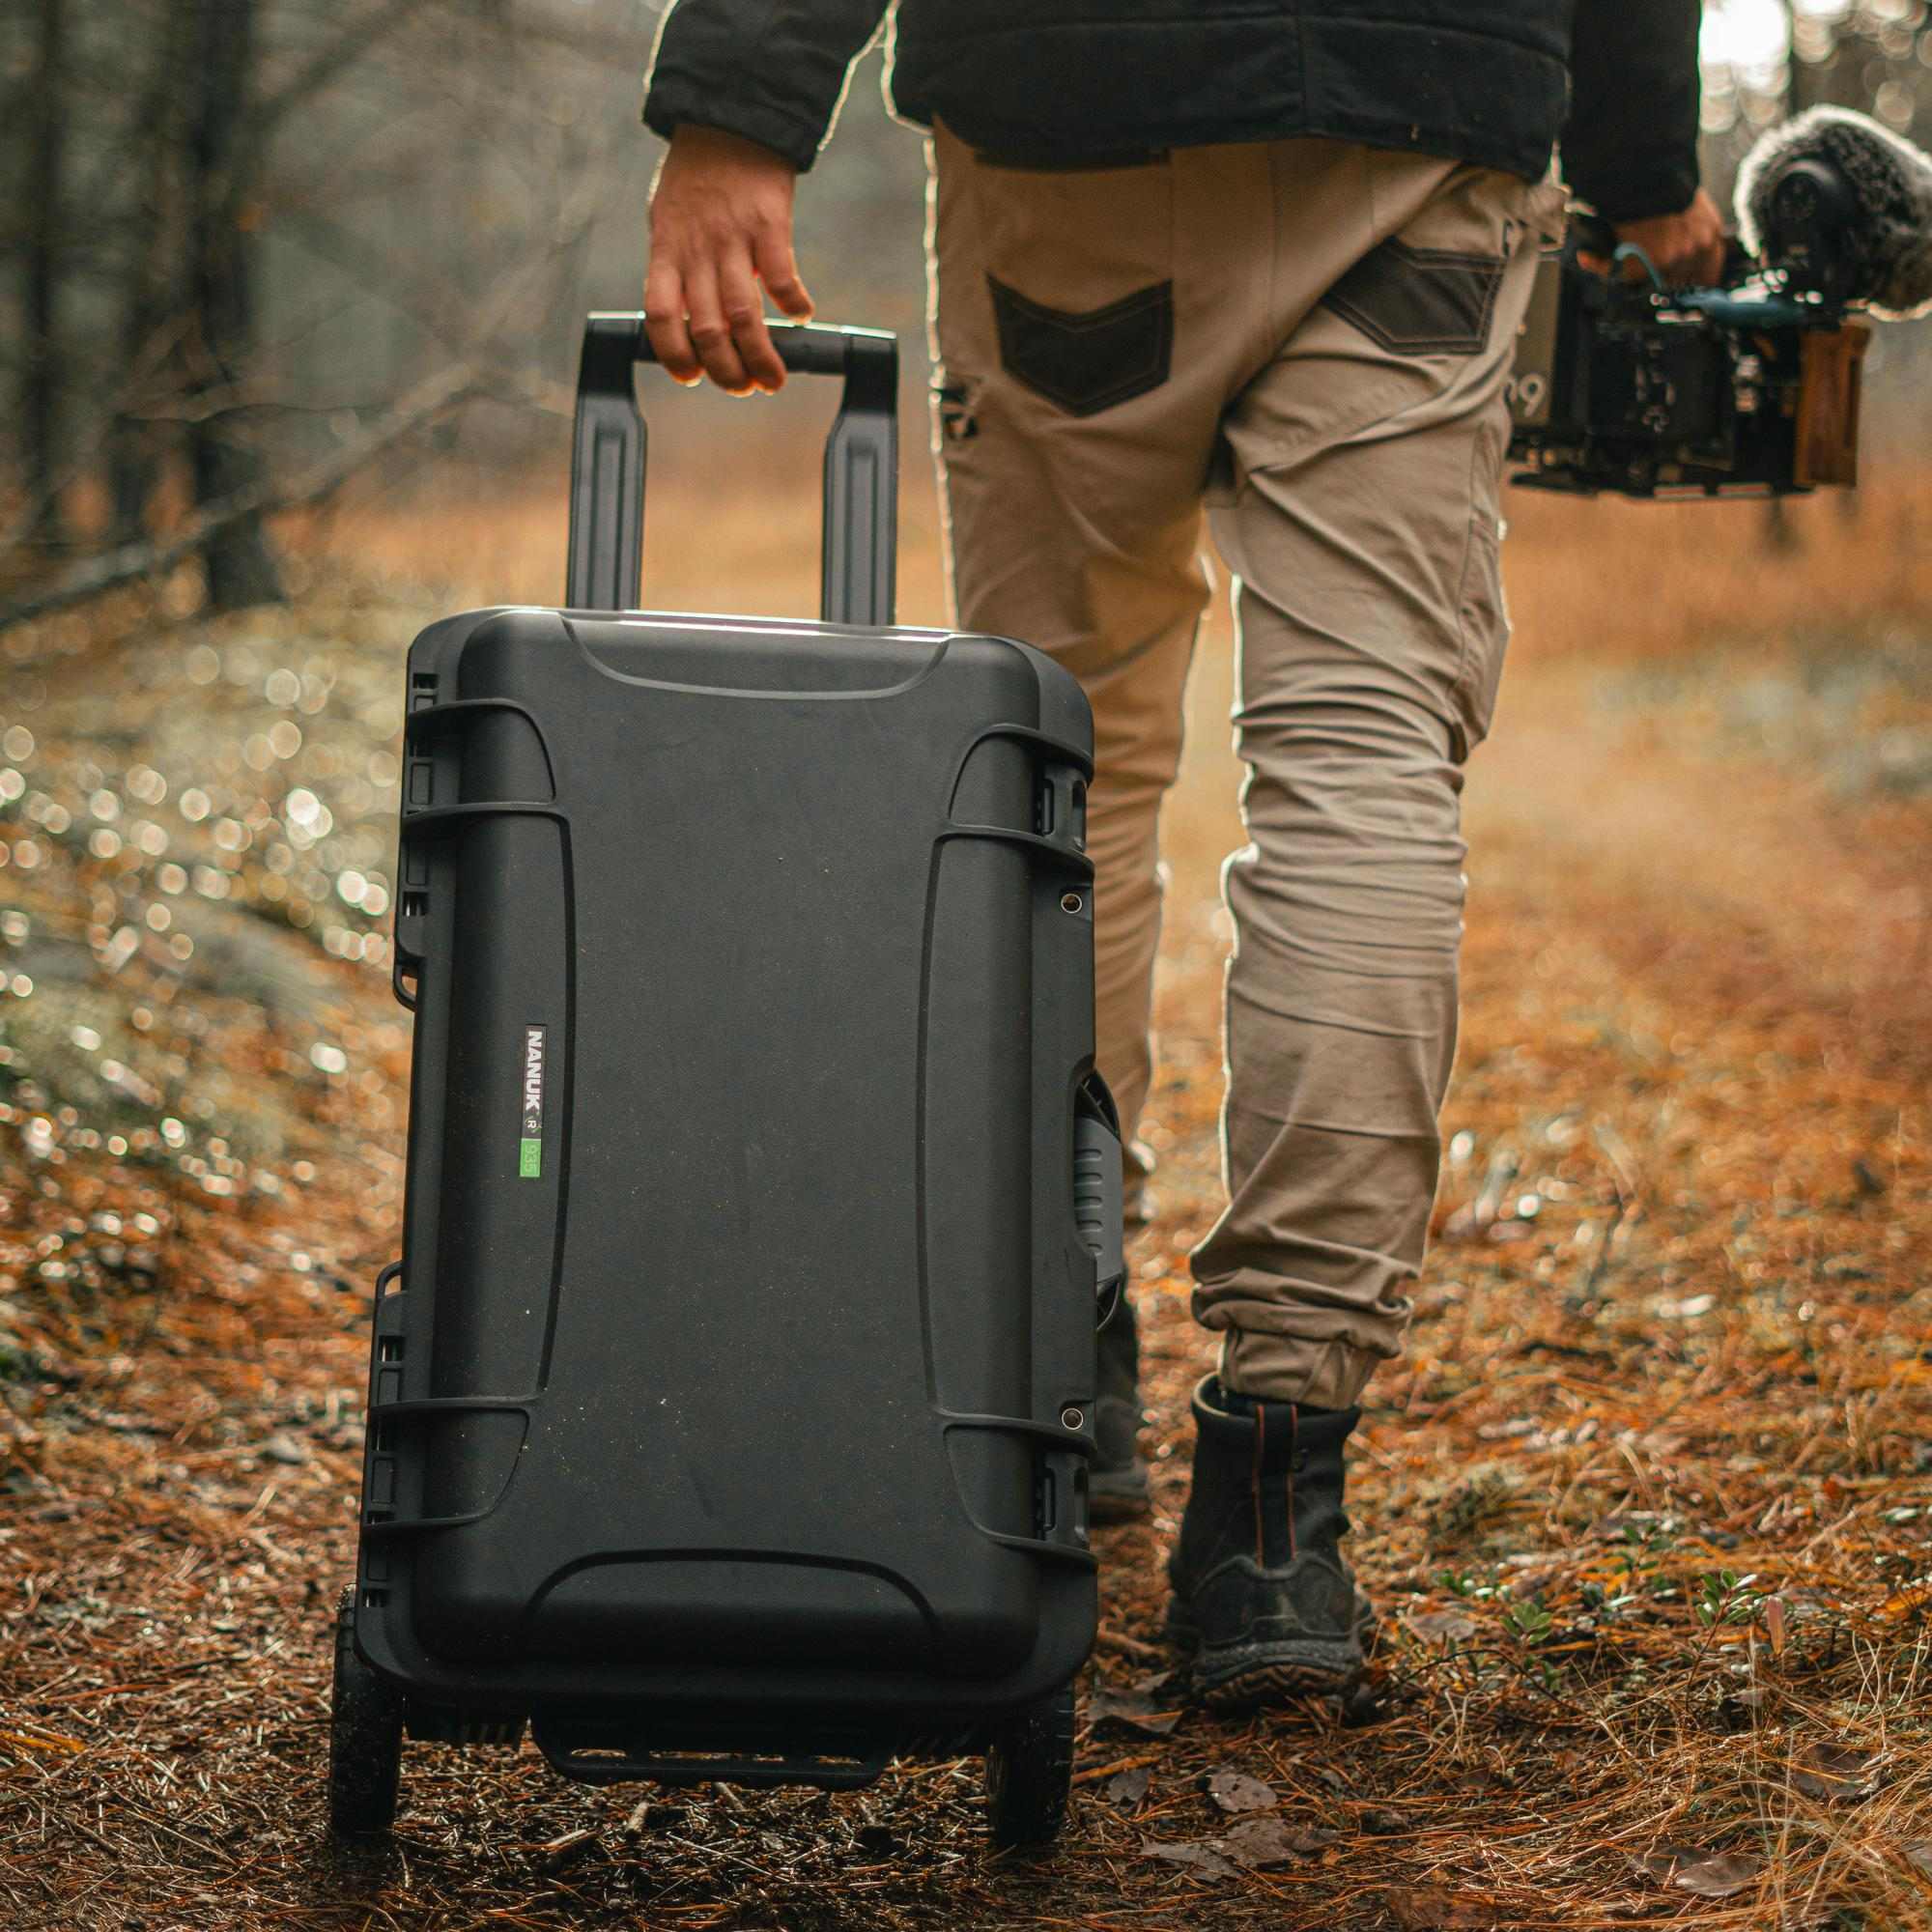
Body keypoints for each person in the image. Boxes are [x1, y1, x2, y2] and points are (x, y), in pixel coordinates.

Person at [639, 1, 1722, 1711]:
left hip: (1080, 110)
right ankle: (1277, 1502)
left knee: (1066, 768)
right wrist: (1651, 166)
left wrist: (736, 110)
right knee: (1365, 774)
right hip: (1426, 116)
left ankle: (1057, 1351)